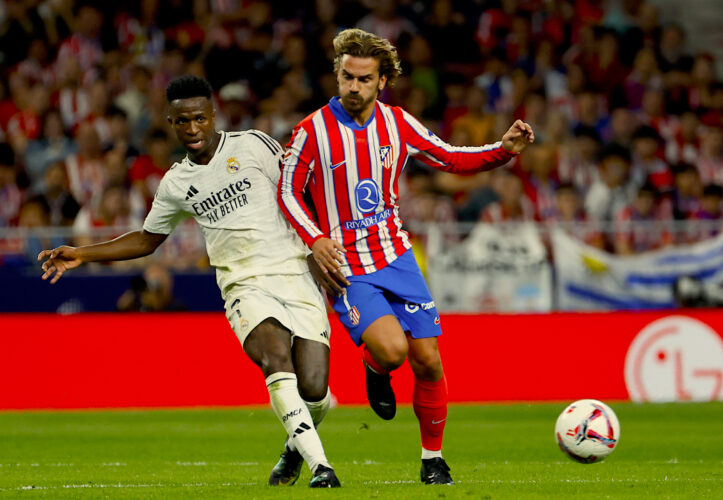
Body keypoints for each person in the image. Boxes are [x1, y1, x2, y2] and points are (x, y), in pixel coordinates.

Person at [37, 75, 344, 488]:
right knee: (274, 358)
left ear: (213, 115)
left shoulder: (254, 144)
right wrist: (82, 252)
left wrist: (322, 246)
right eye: (183, 122)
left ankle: (293, 451)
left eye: (200, 118)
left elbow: (299, 189)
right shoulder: (176, 183)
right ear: (170, 122)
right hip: (243, 285)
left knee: (315, 389)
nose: (193, 129)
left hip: (294, 273)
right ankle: (321, 468)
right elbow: (147, 239)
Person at [278, 28, 534, 485]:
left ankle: (432, 459)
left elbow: (450, 158)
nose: (353, 87)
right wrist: (315, 239)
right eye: (346, 77)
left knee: (429, 362)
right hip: (348, 266)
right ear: (337, 76)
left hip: (398, 257)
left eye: (363, 79)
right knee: (394, 351)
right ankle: (376, 366)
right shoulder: (311, 130)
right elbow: (287, 191)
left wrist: (502, 151)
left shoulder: (396, 123)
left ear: (382, 81)